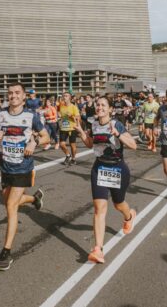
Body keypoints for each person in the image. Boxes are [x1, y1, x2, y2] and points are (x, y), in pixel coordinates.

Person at [0, 82, 50, 271]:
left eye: (17, 93)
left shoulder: (32, 116)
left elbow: (46, 137)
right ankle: (34, 198)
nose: (13, 95)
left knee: (11, 206)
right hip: (6, 167)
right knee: (9, 200)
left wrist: (35, 142)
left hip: (23, 167)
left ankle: (6, 252)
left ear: (23, 97)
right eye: (10, 93)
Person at [74, 96, 137, 264]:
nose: (99, 107)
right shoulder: (94, 125)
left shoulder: (117, 124)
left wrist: (118, 135)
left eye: (103, 105)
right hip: (100, 168)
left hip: (117, 168)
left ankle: (129, 216)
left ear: (110, 109)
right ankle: (98, 249)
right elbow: (90, 144)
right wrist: (80, 131)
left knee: (118, 204)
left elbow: (133, 145)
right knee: (98, 208)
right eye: (98, 105)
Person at [59, 92, 81, 166]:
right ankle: (68, 155)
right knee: (61, 144)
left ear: (70, 98)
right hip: (63, 128)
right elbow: (62, 116)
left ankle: (74, 159)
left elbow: (78, 118)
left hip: (72, 128)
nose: (64, 97)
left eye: (66, 96)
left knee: (72, 145)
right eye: (64, 96)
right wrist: (60, 118)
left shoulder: (73, 107)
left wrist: (71, 116)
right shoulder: (61, 106)